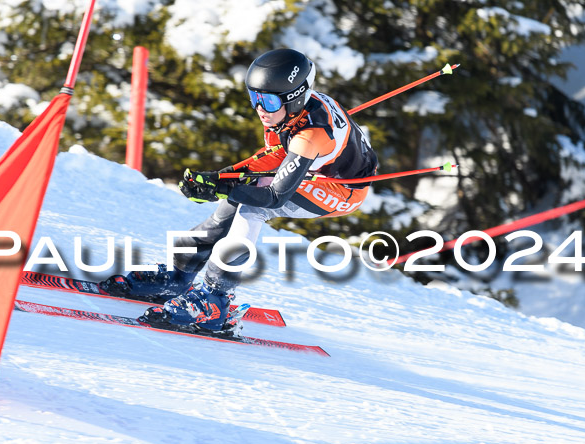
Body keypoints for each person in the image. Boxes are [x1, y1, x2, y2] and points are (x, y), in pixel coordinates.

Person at [100, 48, 378, 335]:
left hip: (341, 190)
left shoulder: (310, 136)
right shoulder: (286, 114)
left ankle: (216, 299)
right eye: (254, 98)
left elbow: (275, 196)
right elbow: (275, 155)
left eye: (267, 101)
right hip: (316, 169)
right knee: (240, 195)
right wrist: (221, 178)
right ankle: (179, 275)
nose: (260, 109)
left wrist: (224, 188)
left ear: (294, 97)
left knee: (254, 205)